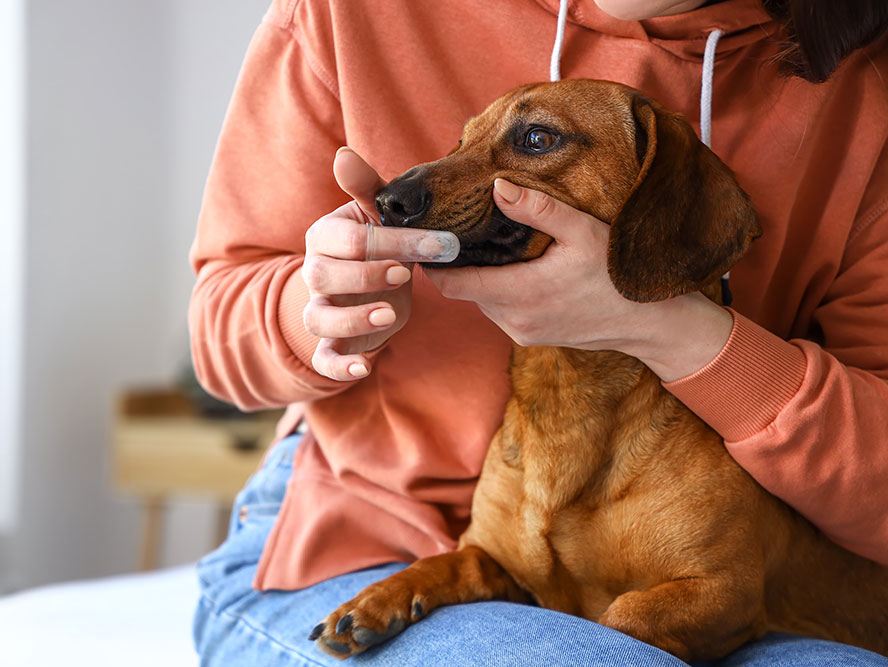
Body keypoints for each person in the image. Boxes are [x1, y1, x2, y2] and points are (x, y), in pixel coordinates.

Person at [188, 0, 888, 664]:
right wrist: (319, 308)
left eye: (533, 141)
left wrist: (677, 331)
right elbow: (217, 323)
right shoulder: (347, 12)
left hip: (717, 556)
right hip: (358, 540)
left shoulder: (862, 80)